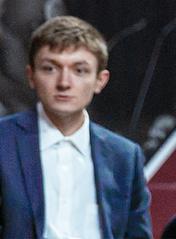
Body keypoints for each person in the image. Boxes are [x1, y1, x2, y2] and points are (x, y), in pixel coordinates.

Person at [0, 16, 151, 238]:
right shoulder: (3, 141)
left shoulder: (125, 156)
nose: (64, 83)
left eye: (79, 70)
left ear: (100, 80)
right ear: (31, 76)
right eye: (50, 68)